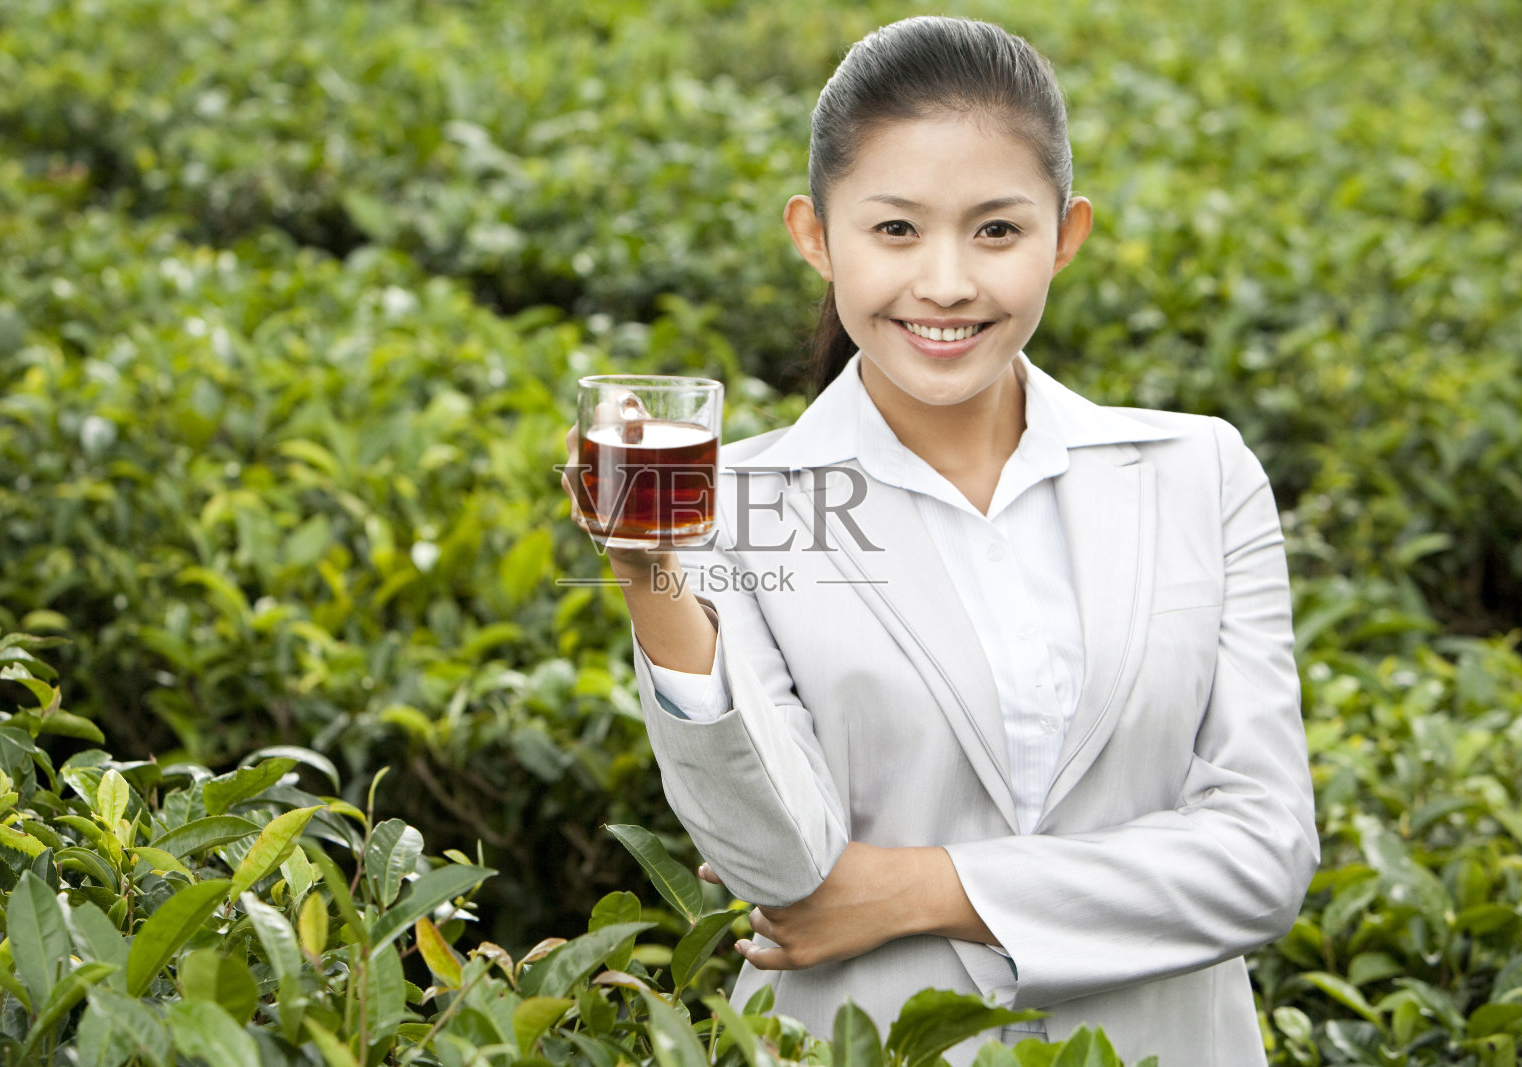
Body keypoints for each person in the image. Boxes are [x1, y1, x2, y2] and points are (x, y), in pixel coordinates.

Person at [562, 16, 1317, 1066]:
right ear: (815, 235)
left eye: (998, 231)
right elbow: (780, 862)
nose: (949, 283)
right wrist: (651, 572)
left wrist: (914, 888)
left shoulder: (1197, 472)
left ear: (1068, 233)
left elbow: (1263, 855)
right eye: (896, 231)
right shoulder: (736, 501)